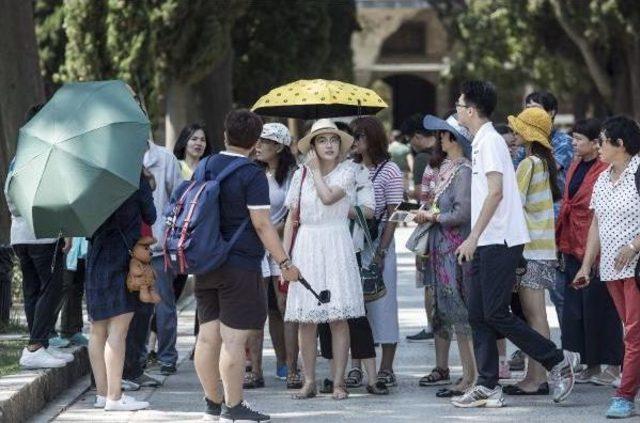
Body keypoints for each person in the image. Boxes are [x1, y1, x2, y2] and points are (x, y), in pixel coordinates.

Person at [452, 80, 578, 408]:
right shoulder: (483, 141)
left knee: (495, 312)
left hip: (499, 240)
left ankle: (557, 361)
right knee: (479, 314)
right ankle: (487, 385)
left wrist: (473, 236)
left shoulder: (490, 142)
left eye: (459, 104)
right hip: (488, 240)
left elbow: (495, 192)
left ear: (471, 110)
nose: (456, 109)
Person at [193, 110, 300, 422]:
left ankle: (212, 406)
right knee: (234, 340)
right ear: (255, 142)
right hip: (239, 265)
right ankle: (233, 406)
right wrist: (285, 262)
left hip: (206, 262)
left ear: (225, 135)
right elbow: (263, 225)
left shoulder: (206, 165)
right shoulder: (252, 174)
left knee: (207, 337)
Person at [283, 119, 364, 401]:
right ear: (313, 146)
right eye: (322, 140)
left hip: (335, 243)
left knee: (337, 317)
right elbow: (291, 221)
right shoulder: (299, 176)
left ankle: (339, 382)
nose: (329, 144)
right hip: (307, 245)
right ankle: (309, 381)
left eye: (333, 139)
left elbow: (329, 198)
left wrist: (316, 172)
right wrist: (284, 261)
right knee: (306, 319)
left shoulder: (347, 172)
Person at [573, 115, 640, 419]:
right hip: (611, 270)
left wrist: (633, 246)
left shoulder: (638, 172)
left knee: (634, 334)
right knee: (630, 330)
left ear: (620, 144)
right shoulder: (602, 177)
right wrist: (586, 266)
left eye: (602, 141)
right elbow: (596, 225)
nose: (598, 146)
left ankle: (624, 395)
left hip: (636, 268)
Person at [4, 104, 74, 370]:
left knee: (33, 289)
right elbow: (51, 196)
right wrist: (65, 228)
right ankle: (35, 345)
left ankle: (39, 345)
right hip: (42, 234)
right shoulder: (43, 155)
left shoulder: (19, 156)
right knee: (53, 287)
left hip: (20, 233)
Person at [413, 114, 477, 397]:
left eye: (444, 134)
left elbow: (462, 212)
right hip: (444, 251)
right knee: (452, 313)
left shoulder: (462, 171)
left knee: (461, 314)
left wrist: (432, 216)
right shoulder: (449, 169)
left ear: (454, 139)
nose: (439, 138)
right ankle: (467, 374)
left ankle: (472, 375)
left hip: (455, 250)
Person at [557, 118, 622, 386]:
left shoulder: (605, 169)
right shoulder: (574, 165)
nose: (574, 144)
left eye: (579, 140)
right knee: (577, 309)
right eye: (573, 139)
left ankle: (613, 365)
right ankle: (591, 364)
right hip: (572, 241)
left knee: (601, 308)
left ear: (596, 144)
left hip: (596, 245)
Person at [85, 171, 156, 411]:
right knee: (118, 330)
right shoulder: (133, 177)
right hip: (123, 262)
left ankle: (102, 395)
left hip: (95, 260)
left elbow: (86, 227)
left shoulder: (91, 179)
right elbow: (151, 215)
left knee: (97, 330)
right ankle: (115, 397)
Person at [502, 107, 561, 396]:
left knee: (533, 315)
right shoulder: (544, 163)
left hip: (530, 250)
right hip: (544, 248)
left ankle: (536, 377)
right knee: (537, 315)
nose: (513, 136)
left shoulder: (528, 165)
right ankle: (536, 375)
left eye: (516, 131)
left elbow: (513, 204)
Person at [123, 136, 183, 387]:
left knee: (160, 305)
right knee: (129, 312)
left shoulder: (165, 159)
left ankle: (166, 356)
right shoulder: (116, 157)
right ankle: (133, 364)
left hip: (155, 245)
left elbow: (178, 200)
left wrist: (171, 236)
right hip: (124, 248)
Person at [350, 116, 404, 388]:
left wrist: (382, 249)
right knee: (355, 307)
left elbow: (394, 213)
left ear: (371, 138)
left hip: (378, 240)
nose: (354, 142)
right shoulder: (350, 168)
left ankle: (386, 367)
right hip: (353, 242)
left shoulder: (390, 169)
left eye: (358, 137)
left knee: (383, 303)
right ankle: (356, 364)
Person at [244, 123, 299, 389]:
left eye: (264, 141)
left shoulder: (293, 176)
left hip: (282, 247)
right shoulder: (250, 172)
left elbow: (294, 214)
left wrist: (269, 233)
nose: (258, 146)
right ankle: (255, 370)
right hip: (254, 249)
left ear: (278, 146)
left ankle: (289, 366)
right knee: (255, 310)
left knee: (284, 307)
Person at [524, 91, 573, 325]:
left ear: (551, 113)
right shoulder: (524, 149)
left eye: (535, 108)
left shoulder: (563, 143)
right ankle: (531, 350)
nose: (529, 113)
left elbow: (546, 171)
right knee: (528, 297)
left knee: (559, 293)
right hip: (528, 231)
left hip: (554, 228)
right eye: (527, 108)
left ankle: (569, 351)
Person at [399, 114, 435, 342]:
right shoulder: (447, 152)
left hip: (428, 223)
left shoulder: (423, 157)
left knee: (428, 280)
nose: (410, 144)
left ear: (419, 137)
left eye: (410, 139)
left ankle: (432, 326)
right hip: (448, 223)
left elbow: (424, 193)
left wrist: (407, 194)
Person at [49, 237, 89, 347]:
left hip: (82, 247)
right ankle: (48, 332)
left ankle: (72, 331)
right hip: (66, 244)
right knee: (62, 289)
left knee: (76, 289)